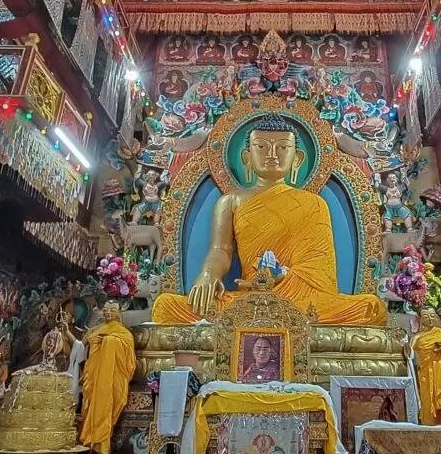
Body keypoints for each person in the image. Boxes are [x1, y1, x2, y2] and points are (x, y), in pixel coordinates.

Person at [152, 114, 386, 325]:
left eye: (283, 148)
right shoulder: (230, 201)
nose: (272, 155)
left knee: (370, 308)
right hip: (251, 299)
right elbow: (220, 250)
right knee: (166, 306)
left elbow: (319, 270)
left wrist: (284, 276)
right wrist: (207, 274)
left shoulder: (315, 203)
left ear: (298, 158)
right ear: (246, 157)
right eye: (261, 147)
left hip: (304, 301)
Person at [79, 300, 137, 454]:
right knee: (93, 407)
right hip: (95, 379)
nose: (108, 313)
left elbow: (129, 362)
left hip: (111, 381)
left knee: (106, 406)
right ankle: (89, 452)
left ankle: (101, 451)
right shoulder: (97, 329)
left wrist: (108, 342)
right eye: (105, 310)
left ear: (119, 312)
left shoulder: (124, 334)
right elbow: (80, 350)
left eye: (112, 310)